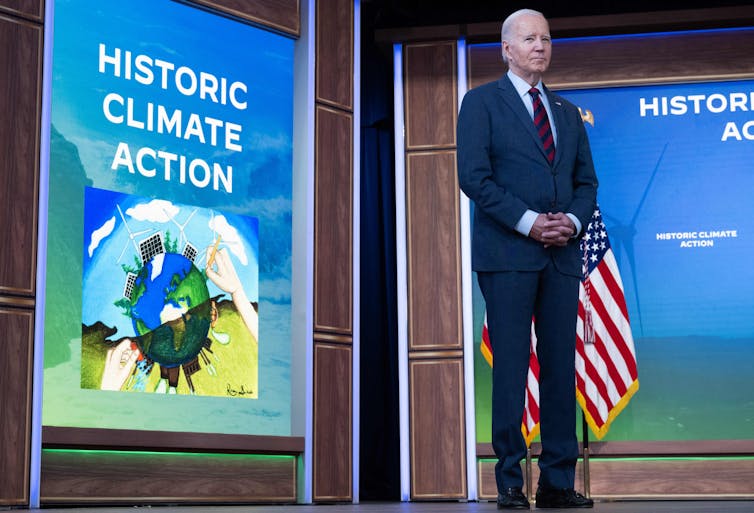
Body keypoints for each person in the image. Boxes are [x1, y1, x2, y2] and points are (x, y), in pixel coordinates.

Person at [457, 8, 598, 510]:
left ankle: (558, 482)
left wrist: (571, 223)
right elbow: (474, 179)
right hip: (509, 256)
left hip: (561, 257)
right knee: (512, 367)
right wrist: (530, 222)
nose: (540, 45)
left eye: (546, 37)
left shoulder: (566, 113)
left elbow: (587, 184)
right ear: (507, 50)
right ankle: (511, 482)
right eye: (529, 38)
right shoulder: (480, 104)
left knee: (561, 368)